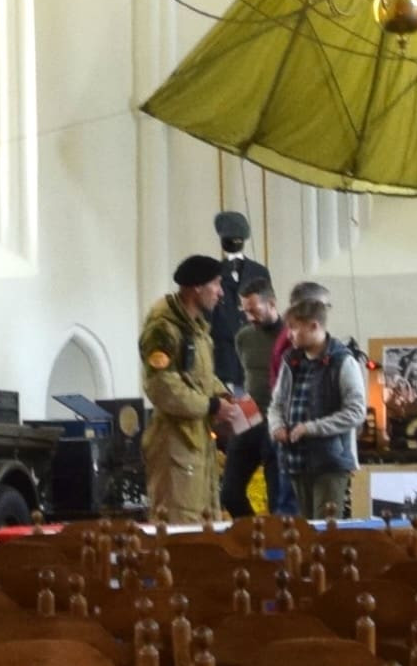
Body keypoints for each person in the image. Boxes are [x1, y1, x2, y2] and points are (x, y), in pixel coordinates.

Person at [136, 255, 241, 522]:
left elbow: (200, 376)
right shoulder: (163, 329)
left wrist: (223, 395)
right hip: (174, 443)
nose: (220, 292)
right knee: (179, 525)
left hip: (196, 439)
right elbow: (162, 385)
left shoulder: (196, 329)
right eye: (216, 284)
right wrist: (211, 405)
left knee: (205, 527)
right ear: (197, 287)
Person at [263, 284, 367, 521]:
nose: (289, 335)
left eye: (294, 328)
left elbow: (355, 412)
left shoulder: (343, 362)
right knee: (304, 530)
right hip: (295, 462)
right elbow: (276, 403)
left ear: (314, 326)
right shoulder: (290, 360)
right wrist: (276, 426)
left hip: (330, 463)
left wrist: (311, 428)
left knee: (325, 529)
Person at [204, 209, 280, 514]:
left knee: (277, 491)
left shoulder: (259, 272)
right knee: (231, 488)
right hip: (231, 379)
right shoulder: (214, 276)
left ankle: (272, 534)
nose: (248, 316)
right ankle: (251, 532)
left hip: (273, 412)